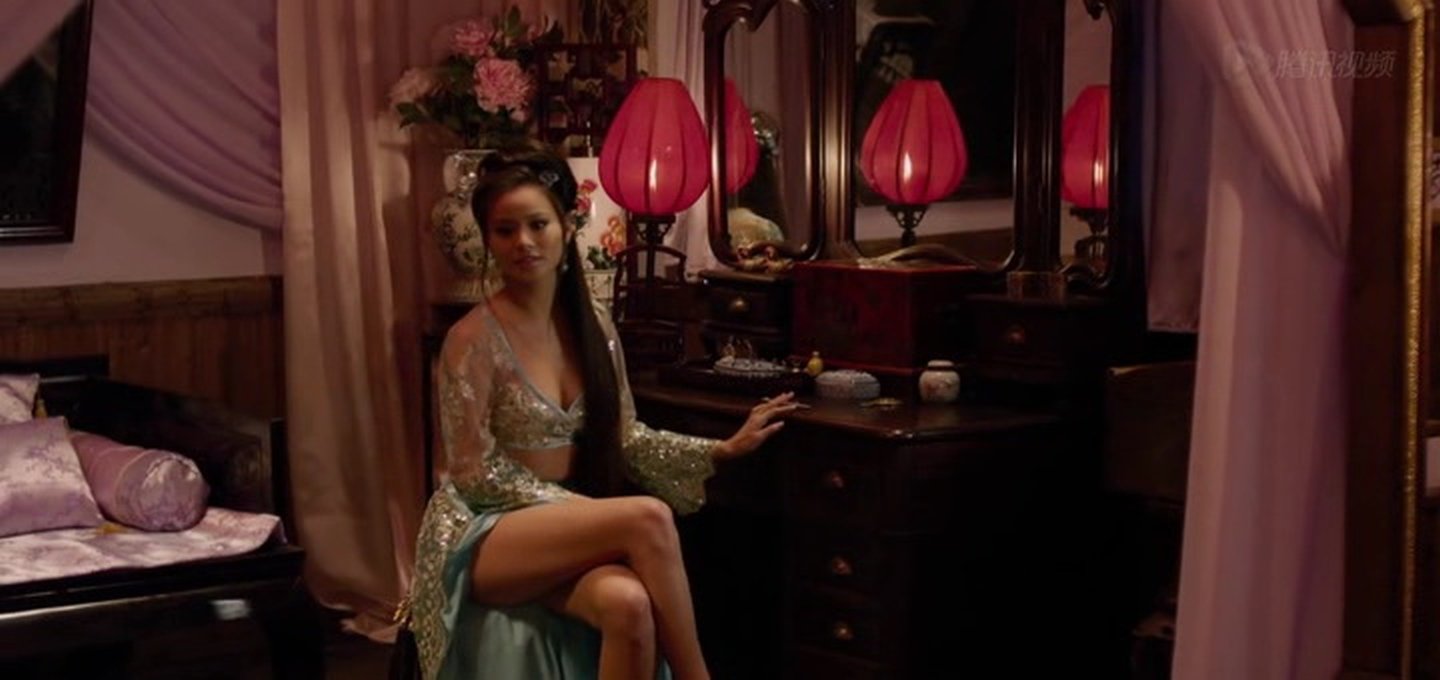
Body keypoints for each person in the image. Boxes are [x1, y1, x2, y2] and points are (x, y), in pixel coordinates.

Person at [403, 142, 799, 680]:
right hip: (484, 537)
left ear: (567, 227)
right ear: (489, 241)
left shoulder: (595, 327)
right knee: (648, 517)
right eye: (505, 230)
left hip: (562, 530)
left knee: (628, 604)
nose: (523, 242)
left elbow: (624, 436)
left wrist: (720, 449)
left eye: (537, 224)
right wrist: (578, 509)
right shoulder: (471, 340)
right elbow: (474, 474)